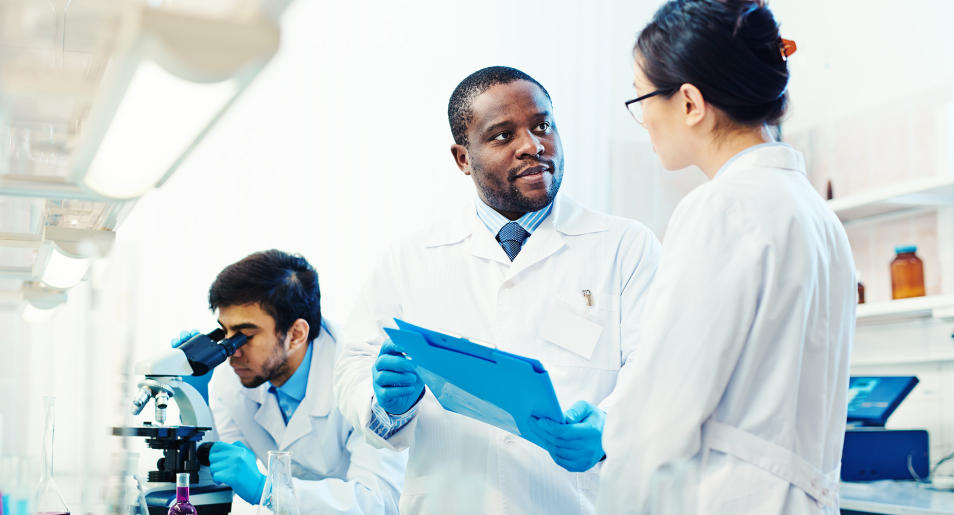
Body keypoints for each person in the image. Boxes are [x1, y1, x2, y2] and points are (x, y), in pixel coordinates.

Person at [333, 66, 661, 514]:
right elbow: (354, 364)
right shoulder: (412, 258)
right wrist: (387, 401)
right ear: (463, 158)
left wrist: (611, 430)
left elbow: (657, 373)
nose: (532, 145)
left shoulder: (625, 246)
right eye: (503, 136)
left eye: (542, 125)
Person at [596, 1, 855, 513]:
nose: (642, 118)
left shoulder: (723, 208)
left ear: (689, 102)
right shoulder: (816, 215)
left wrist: (617, 446)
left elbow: (662, 419)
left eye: (641, 97)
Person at [176, 250, 406, 513]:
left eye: (244, 336)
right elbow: (220, 467)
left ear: (296, 334)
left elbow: (380, 501)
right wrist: (194, 397)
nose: (231, 351)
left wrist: (269, 489)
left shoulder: (364, 380)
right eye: (224, 332)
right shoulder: (236, 374)